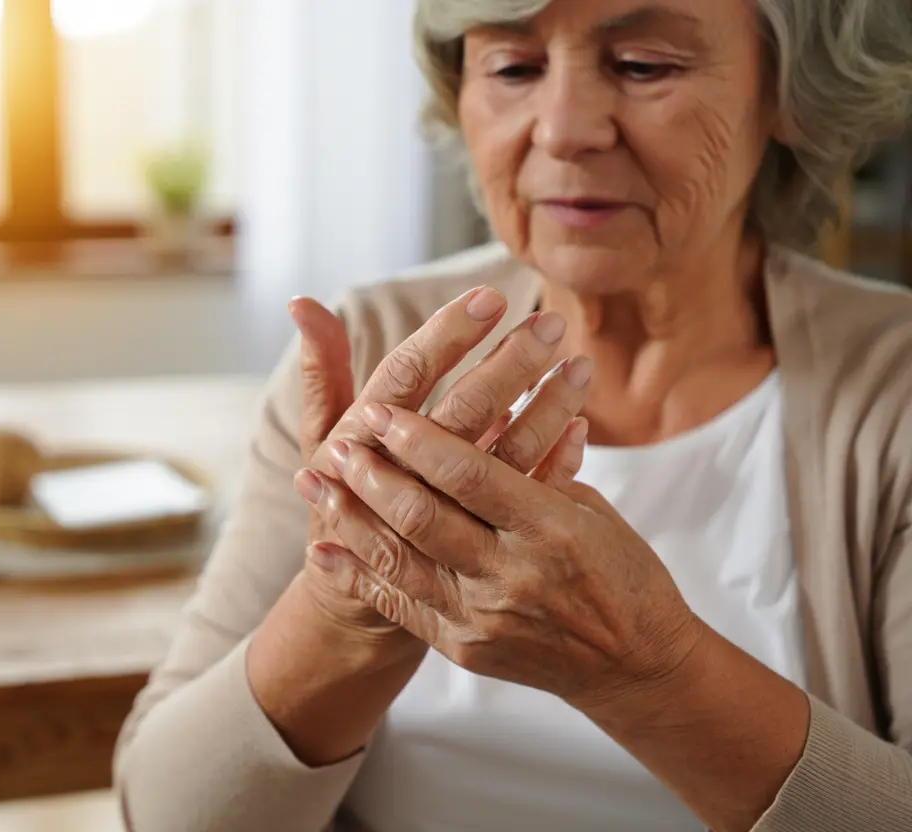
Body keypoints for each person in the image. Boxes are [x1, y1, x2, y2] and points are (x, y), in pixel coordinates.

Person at [114, 0, 912, 829]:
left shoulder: (892, 393)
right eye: (513, 68)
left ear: (787, 90)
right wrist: (347, 611)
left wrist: (645, 671)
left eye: (644, 66)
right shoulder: (371, 353)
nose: (564, 131)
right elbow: (168, 816)